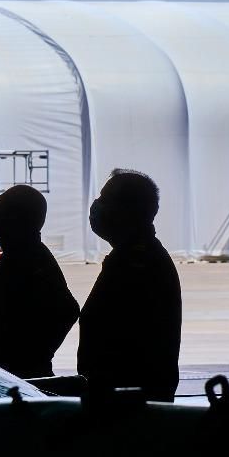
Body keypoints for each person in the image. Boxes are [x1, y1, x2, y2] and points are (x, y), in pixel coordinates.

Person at [77, 170, 182, 401]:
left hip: (128, 403)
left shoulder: (137, 263)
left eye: (105, 199)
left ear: (125, 211)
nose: (97, 206)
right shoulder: (133, 257)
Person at [0, 185, 80, 379]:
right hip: (11, 372)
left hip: (17, 375)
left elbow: (68, 309)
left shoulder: (24, 260)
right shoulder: (25, 254)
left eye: (2, 208)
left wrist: (32, 353)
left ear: (15, 219)